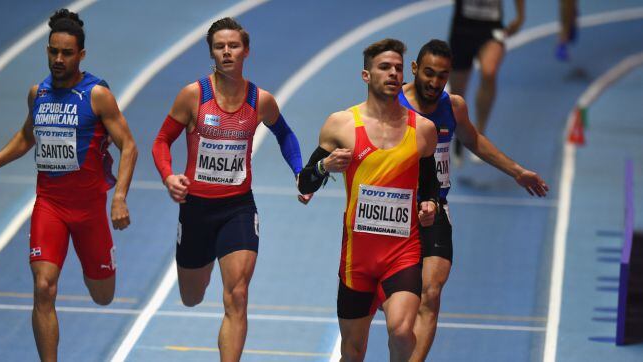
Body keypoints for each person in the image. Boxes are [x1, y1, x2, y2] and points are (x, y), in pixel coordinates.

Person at [0, 9, 138, 361]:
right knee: (43, 287)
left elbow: (129, 146)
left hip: (90, 210)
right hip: (50, 206)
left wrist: (119, 197)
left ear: (81, 55)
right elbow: (27, 136)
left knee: (103, 295)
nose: (58, 59)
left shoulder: (97, 95)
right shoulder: (38, 94)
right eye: (53, 52)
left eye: (66, 53)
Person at [151, 17, 307, 361]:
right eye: (219, 46)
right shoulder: (193, 96)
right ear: (212, 52)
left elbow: (285, 135)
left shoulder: (260, 100)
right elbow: (162, 140)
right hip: (195, 210)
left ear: (245, 51)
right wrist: (168, 175)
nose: (226, 52)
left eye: (233, 46)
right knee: (192, 295)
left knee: (236, 294)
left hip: (237, 208)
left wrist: (299, 171)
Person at [394, 39, 549, 361]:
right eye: (429, 74)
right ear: (414, 70)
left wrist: (516, 171)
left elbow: (474, 140)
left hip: (434, 208)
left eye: (442, 75)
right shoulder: (391, 104)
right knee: (390, 305)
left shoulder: (453, 107)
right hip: (393, 211)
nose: (435, 83)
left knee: (431, 294)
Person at [298, 38, 440, 362]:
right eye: (384, 67)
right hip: (357, 259)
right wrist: (324, 166)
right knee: (353, 350)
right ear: (366, 75)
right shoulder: (342, 125)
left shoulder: (423, 130)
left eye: (398, 69)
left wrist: (429, 204)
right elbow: (305, 182)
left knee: (402, 333)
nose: (393, 73)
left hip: (402, 253)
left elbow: (430, 185)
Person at [448, 0, 524, 162]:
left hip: (492, 30)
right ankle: (460, 135)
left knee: (489, 72)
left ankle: (480, 134)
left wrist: (520, 16)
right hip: (462, 29)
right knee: (457, 92)